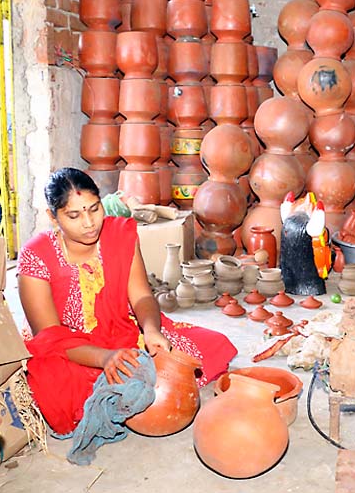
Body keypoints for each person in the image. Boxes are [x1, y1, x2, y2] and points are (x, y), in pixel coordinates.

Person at [18, 168, 237, 435]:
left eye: (94, 209)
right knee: (57, 388)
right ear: (53, 217)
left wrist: (151, 330)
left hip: (123, 330)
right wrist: (105, 358)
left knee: (212, 347)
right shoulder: (36, 255)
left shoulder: (119, 234)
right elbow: (49, 337)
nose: (89, 223)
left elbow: (142, 295)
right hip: (70, 347)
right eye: (74, 215)